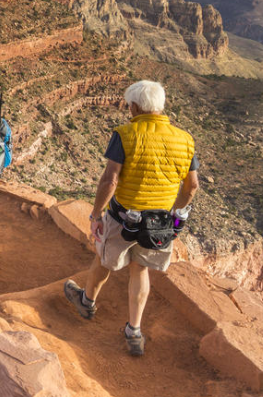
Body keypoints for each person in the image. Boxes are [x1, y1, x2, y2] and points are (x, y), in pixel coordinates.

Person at [64, 80, 200, 357]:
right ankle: (134, 331)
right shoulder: (185, 140)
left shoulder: (125, 134)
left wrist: (96, 214)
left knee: (104, 259)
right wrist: (174, 214)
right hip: (160, 222)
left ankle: (87, 302)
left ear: (136, 107)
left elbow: (110, 180)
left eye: (129, 106)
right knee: (140, 270)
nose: (128, 110)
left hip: (124, 217)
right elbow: (192, 186)